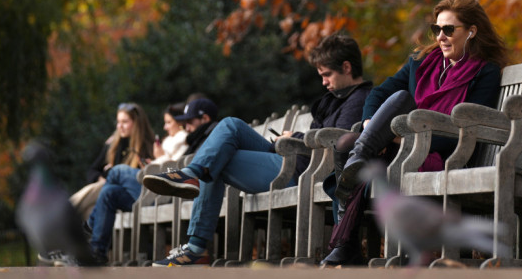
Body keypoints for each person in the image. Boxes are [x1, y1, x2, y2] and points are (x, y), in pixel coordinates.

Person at [143, 33, 372, 266]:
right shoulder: (334, 98)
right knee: (231, 125)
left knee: (216, 161)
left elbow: (336, 143)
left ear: (346, 67)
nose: (323, 82)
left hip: (302, 171)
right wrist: (291, 139)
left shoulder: (360, 99)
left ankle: (195, 245)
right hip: (291, 158)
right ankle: (191, 177)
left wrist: (295, 137)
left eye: (327, 75)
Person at [320, 0, 507, 267]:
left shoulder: (485, 72)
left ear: (471, 31)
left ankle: (344, 243)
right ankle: (346, 241)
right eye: (437, 29)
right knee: (351, 140)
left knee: (366, 135)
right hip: (400, 147)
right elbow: (378, 94)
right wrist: (372, 126)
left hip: (444, 150)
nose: (440, 36)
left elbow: (469, 127)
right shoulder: (421, 62)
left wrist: (398, 139)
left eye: (448, 29)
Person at [42, 102, 157, 266]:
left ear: (137, 123)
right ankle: (95, 253)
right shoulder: (114, 144)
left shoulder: (149, 145)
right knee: (108, 191)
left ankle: (68, 223)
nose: (120, 126)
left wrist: (112, 173)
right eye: (118, 122)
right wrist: (102, 176)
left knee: (113, 177)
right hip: (111, 192)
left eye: (125, 122)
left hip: (141, 195)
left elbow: (147, 174)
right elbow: (92, 171)